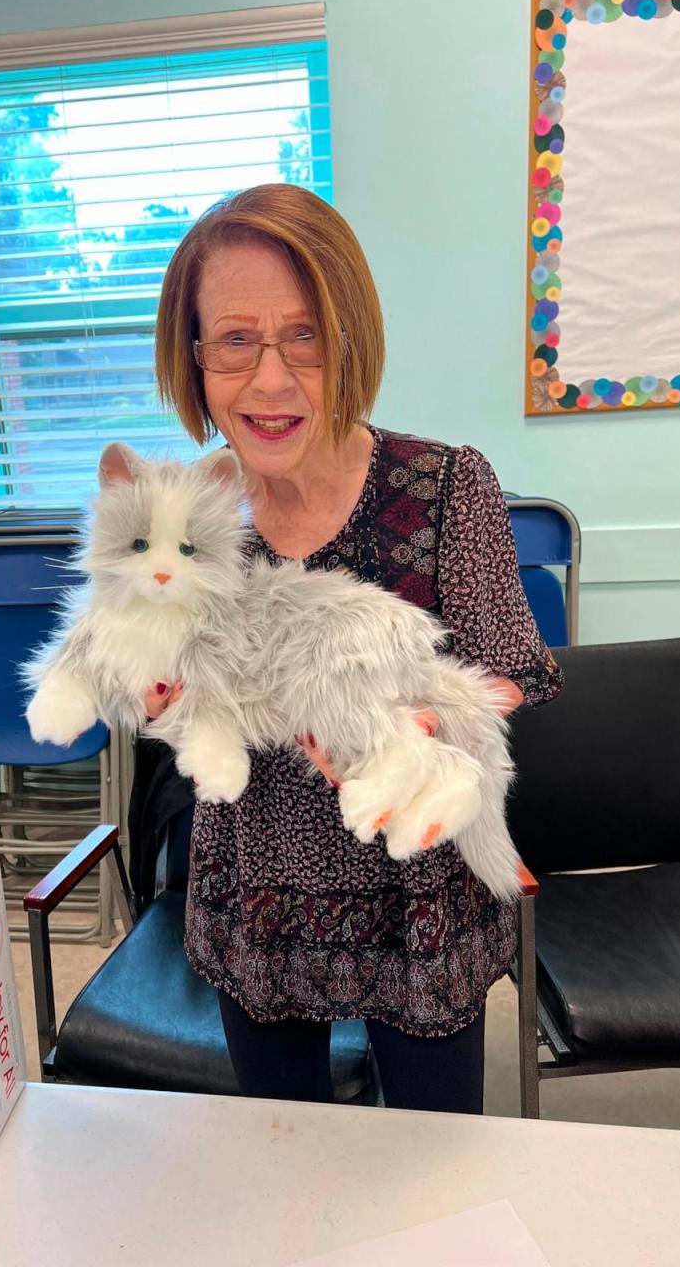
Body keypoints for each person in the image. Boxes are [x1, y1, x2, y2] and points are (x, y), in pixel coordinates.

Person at [147, 183, 563, 1113]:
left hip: (418, 900)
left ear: (348, 340)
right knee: (288, 1168)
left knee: (433, 1172)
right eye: (235, 339)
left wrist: (432, 720)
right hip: (254, 898)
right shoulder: (188, 521)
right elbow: (165, 685)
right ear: (196, 356)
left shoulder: (446, 485)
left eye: (303, 335)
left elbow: (518, 670)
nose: (270, 378)